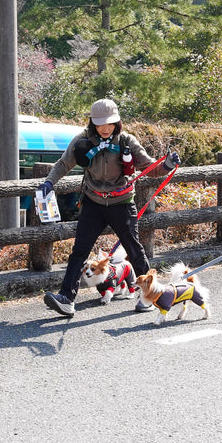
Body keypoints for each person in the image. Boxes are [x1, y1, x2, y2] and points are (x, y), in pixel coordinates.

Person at [40, 98, 179, 318]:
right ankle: (66, 298)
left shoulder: (127, 141)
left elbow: (150, 166)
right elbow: (63, 163)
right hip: (93, 202)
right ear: (92, 123)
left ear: (117, 122)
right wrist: (49, 182)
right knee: (79, 251)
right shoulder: (82, 141)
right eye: (100, 124)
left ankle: (150, 296)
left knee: (134, 249)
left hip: (121, 203)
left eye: (110, 123)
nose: (105, 128)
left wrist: (168, 165)